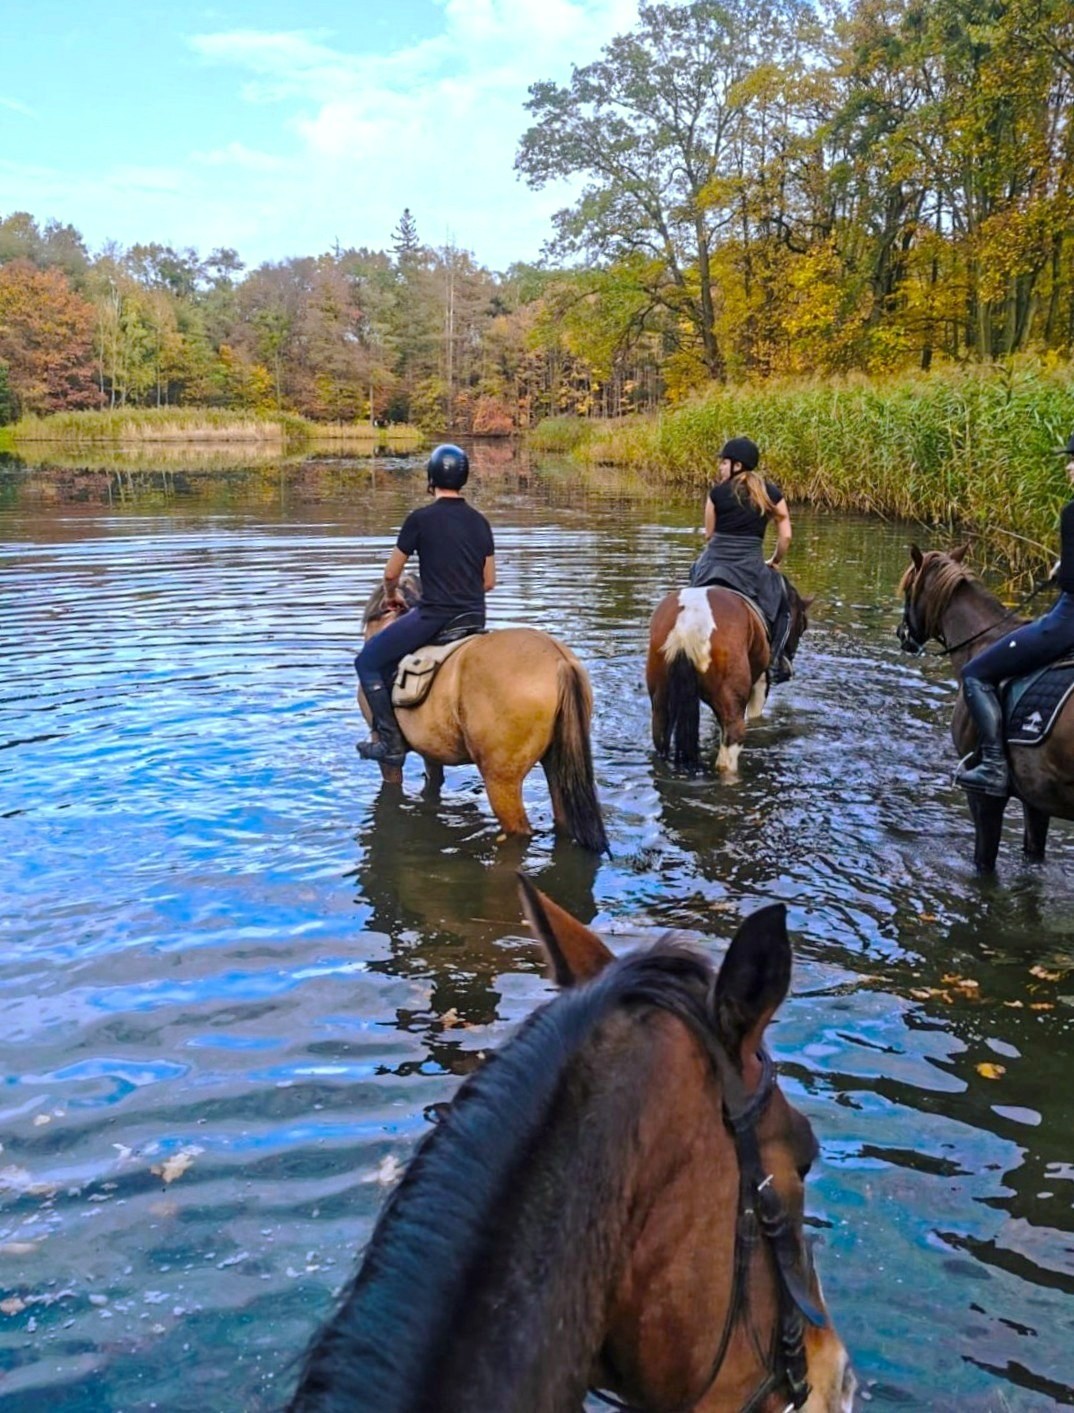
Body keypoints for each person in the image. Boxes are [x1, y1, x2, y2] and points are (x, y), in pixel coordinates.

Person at [355, 444, 495, 766]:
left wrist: (391, 595)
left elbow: (391, 573)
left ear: (431, 478)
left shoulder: (420, 519)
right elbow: (489, 582)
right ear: (464, 478)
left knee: (367, 662)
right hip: (474, 618)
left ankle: (390, 742)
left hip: (435, 617)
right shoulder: (480, 522)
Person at [956, 431, 1074, 795]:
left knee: (975, 673)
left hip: (1068, 622)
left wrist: (1063, 570)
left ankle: (993, 766)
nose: (1069, 468)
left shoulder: (1072, 513)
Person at [688, 436, 795, 681]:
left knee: (692, 578)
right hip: (750, 570)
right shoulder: (771, 493)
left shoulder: (717, 493)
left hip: (712, 566)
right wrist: (775, 560)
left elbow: (709, 535)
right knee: (785, 606)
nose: (720, 467)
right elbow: (786, 536)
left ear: (737, 465)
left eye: (724, 462)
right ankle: (776, 660)